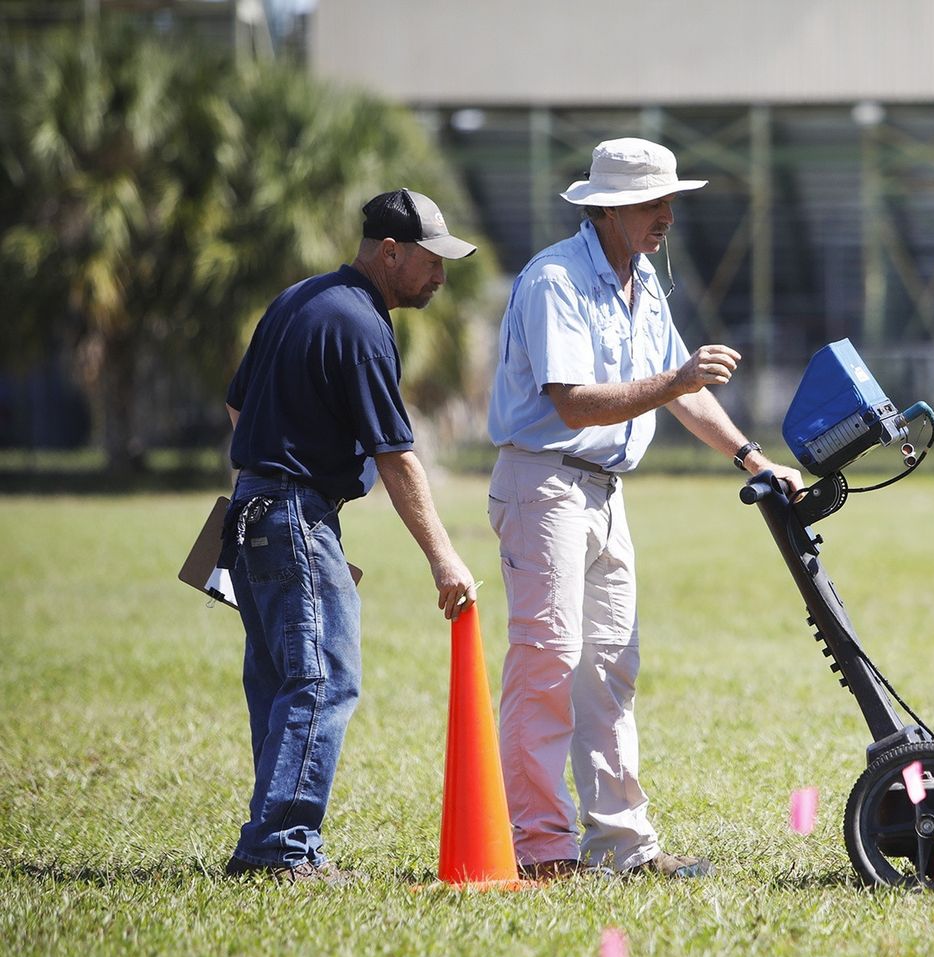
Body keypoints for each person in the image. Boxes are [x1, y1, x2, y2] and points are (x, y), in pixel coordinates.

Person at [487, 138, 804, 880]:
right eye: (652, 202)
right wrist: (673, 381)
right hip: (545, 486)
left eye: (669, 201)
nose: (667, 215)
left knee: (608, 667)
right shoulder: (554, 280)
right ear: (608, 208)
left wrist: (753, 459)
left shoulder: (645, 280)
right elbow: (571, 405)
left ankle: (623, 847)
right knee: (547, 663)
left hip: (602, 493)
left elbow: (684, 390)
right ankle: (540, 849)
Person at [221, 188, 480, 884]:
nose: (439, 278)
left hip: (251, 509)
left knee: (281, 680)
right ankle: (280, 850)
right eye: (431, 262)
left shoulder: (299, 300)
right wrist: (444, 557)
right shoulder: (362, 325)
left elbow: (237, 403)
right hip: (290, 512)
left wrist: (285, 482)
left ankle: (271, 838)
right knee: (323, 678)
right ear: (390, 252)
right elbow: (397, 458)